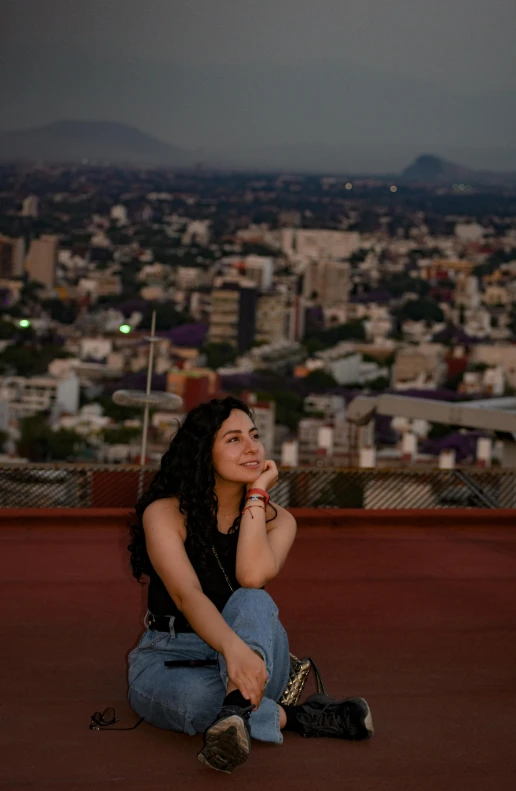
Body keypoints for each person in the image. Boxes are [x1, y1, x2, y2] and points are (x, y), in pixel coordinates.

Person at [127, 396, 373, 774]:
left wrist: (257, 494)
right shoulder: (164, 514)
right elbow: (186, 595)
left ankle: (236, 710)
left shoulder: (280, 522)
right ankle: (296, 716)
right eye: (233, 439)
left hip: (254, 653)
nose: (252, 447)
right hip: (170, 653)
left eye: (254, 436)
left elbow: (251, 577)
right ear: (203, 452)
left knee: (253, 598)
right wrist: (231, 649)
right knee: (194, 702)